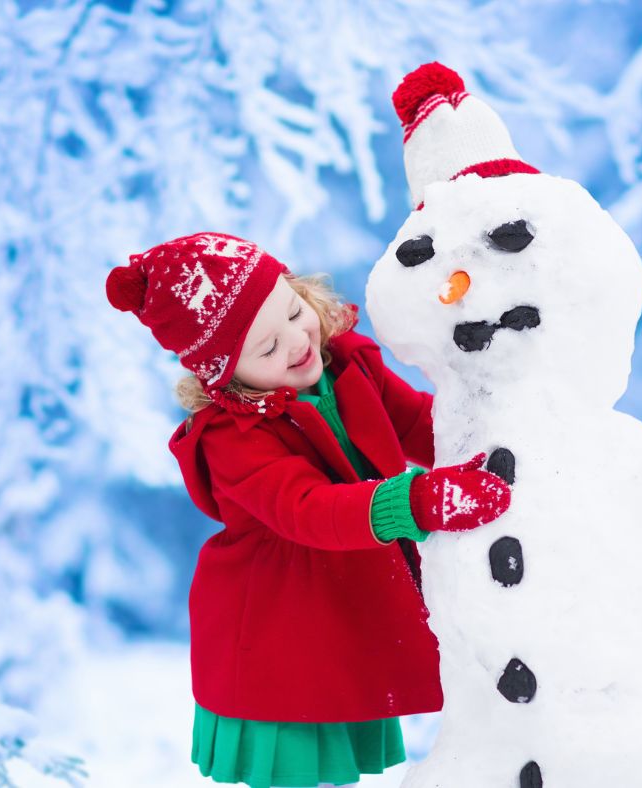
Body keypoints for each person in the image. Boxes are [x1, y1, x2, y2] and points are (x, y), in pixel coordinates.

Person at [104, 231, 512, 788]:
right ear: (225, 374)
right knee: (292, 761)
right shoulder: (232, 437)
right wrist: (418, 500)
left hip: (340, 597)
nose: (297, 342)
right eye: (267, 349)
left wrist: (488, 435)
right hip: (277, 626)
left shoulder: (344, 363)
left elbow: (417, 421)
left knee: (339, 740)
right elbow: (309, 509)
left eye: (295, 312)